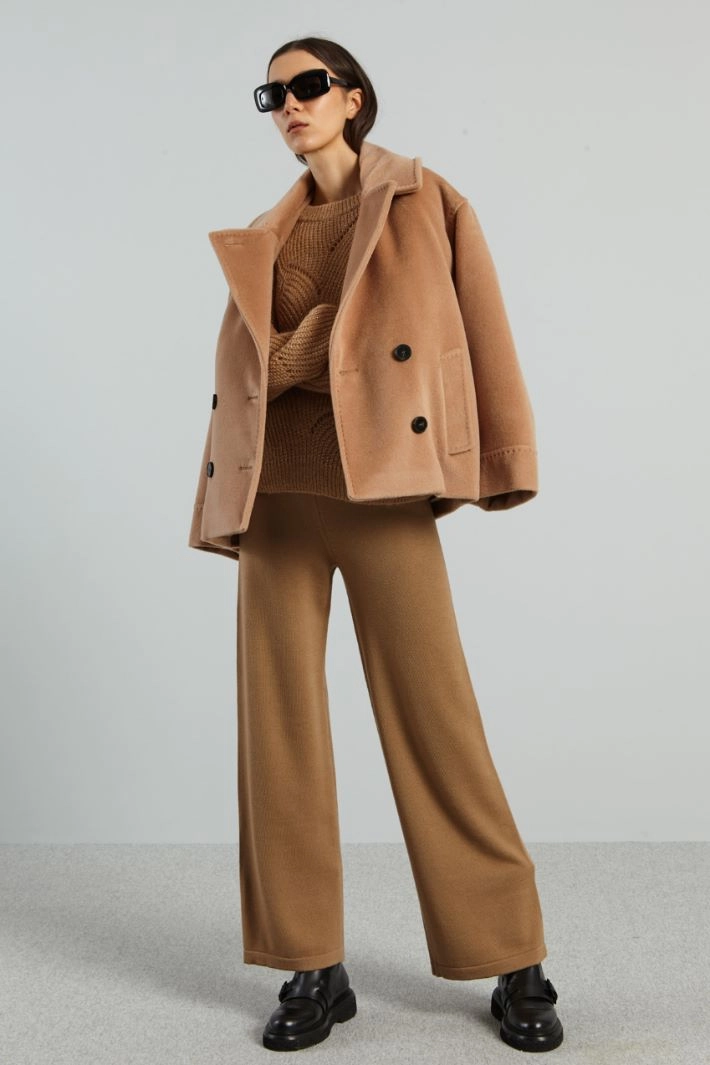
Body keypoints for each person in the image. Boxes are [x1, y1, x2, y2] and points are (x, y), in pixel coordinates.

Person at [189, 36, 564, 1055]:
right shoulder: (266, 232)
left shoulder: (422, 199)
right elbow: (252, 375)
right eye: (273, 92)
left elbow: (480, 331)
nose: (289, 103)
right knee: (278, 737)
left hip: (382, 490)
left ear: (352, 97)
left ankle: (512, 954)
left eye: (307, 85)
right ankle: (311, 963)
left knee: (435, 716)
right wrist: (302, 350)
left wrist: (503, 457)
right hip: (277, 498)